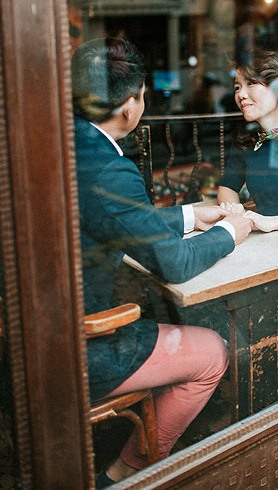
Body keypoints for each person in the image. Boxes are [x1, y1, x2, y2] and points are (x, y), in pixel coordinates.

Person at [72, 38, 252, 487]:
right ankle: (128, 473)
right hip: (79, 350)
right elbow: (173, 264)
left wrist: (192, 213)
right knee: (214, 352)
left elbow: (119, 219)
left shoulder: (68, 143)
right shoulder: (109, 169)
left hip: (32, 340)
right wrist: (231, 231)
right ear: (130, 106)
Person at [215, 50, 278, 392]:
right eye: (237, 86)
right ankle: (250, 395)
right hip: (267, 253)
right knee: (223, 302)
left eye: (251, 84)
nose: (241, 94)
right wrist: (235, 210)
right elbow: (227, 187)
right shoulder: (247, 142)